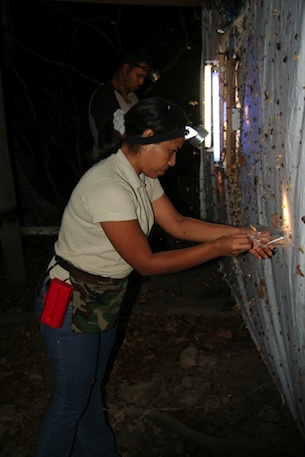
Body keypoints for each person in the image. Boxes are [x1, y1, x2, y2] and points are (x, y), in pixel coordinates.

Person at [34, 96, 273, 457]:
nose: (174, 161)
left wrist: (242, 234)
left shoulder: (142, 177)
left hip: (104, 297)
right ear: (146, 137)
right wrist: (218, 248)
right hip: (69, 300)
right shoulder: (109, 187)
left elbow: (178, 224)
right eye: (171, 151)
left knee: (90, 390)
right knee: (71, 402)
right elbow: (146, 263)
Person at [88, 47, 153, 165]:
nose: (141, 82)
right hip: (109, 166)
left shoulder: (133, 97)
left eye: (144, 77)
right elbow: (109, 139)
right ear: (126, 69)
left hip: (131, 164)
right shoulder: (105, 96)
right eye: (138, 76)